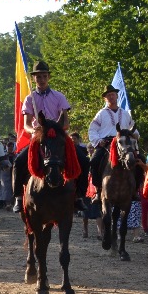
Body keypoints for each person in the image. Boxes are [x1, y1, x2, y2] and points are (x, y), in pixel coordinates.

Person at [11, 61, 72, 213]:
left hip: (56, 136)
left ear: (49, 77)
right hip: (39, 138)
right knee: (18, 161)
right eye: (38, 77)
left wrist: (55, 129)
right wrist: (35, 131)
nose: (41, 79)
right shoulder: (29, 99)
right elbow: (26, 125)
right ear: (33, 79)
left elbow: (66, 123)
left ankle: (78, 197)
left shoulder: (59, 96)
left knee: (83, 159)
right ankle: (18, 197)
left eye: (44, 76)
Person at [86, 83, 133, 195]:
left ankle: (134, 189)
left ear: (117, 96)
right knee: (94, 161)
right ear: (105, 99)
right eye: (108, 96)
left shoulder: (125, 114)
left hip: (123, 142)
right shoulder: (101, 114)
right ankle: (98, 189)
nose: (111, 97)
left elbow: (133, 129)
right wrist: (98, 141)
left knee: (138, 159)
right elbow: (92, 130)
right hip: (106, 143)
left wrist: (135, 135)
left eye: (113, 94)